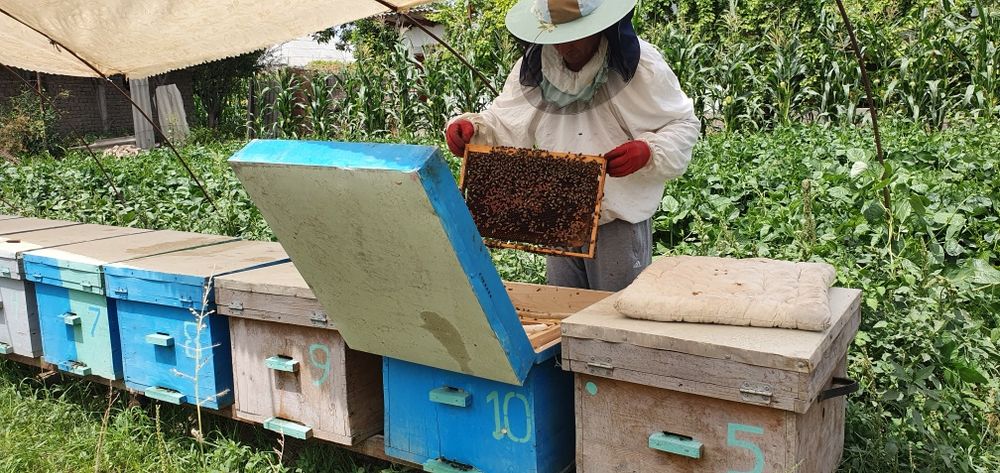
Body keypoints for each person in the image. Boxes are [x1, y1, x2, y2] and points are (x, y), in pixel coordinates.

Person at [445, 0, 700, 292]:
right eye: (558, 37)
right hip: (559, 217)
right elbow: (505, 123)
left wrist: (649, 151)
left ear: (599, 26)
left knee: (615, 322)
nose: (565, 47)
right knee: (565, 318)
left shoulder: (644, 65)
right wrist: (472, 130)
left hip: (617, 219)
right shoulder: (533, 67)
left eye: (575, 34)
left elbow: (683, 124)